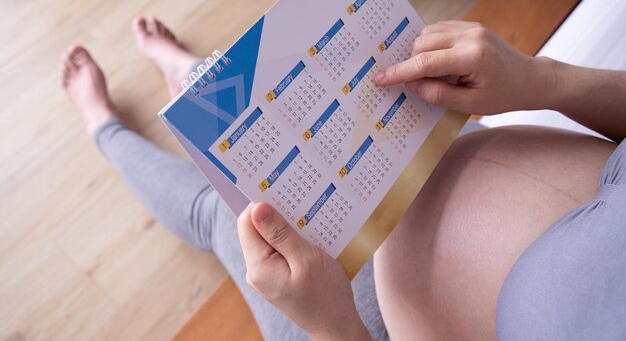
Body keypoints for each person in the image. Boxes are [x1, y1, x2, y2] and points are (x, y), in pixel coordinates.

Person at [61, 19, 626, 341]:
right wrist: (537, 79)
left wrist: (330, 325)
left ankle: (101, 126)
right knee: (281, 120)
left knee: (221, 214)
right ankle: (190, 76)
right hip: (425, 144)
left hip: (359, 310)